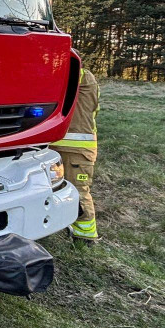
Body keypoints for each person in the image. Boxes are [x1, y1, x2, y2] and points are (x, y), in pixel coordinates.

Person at [53, 68, 100, 241]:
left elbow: (66, 73)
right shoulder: (84, 82)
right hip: (63, 146)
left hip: (76, 150)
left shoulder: (82, 75)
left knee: (78, 191)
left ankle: (85, 236)